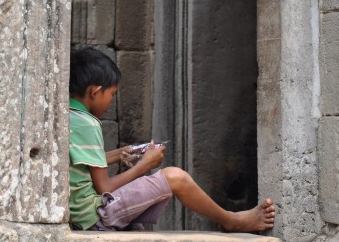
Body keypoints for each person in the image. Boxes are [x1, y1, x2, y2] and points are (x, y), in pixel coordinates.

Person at [68, 47, 276, 232]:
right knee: (176, 177)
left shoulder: (68, 116)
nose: (111, 101)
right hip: (95, 217)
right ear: (95, 91)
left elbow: (82, 164)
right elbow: (104, 187)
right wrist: (144, 165)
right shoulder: (89, 123)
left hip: (80, 216)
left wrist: (119, 154)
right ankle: (231, 220)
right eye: (112, 94)